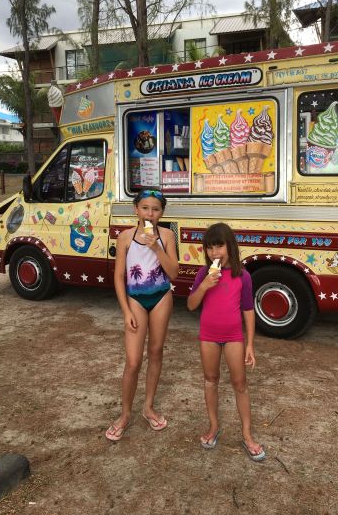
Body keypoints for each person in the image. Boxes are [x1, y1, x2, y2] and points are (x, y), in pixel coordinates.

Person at [187, 222, 266, 462]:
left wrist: (250, 344)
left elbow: (248, 310)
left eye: (219, 246)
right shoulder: (204, 274)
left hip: (234, 337)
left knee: (240, 383)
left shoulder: (243, 276)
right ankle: (213, 427)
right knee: (210, 380)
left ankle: (247, 435)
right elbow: (191, 305)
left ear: (230, 246)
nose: (215, 253)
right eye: (210, 248)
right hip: (208, 336)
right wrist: (204, 286)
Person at [105, 189, 179, 441]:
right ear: (136, 209)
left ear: (162, 213)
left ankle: (148, 407)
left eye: (156, 209)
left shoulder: (167, 235)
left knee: (156, 351)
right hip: (135, 300)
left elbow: (174, 272)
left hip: (161, 298)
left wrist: (157, 248)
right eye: (145, 208)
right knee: (134, 361)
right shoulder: (125, 237)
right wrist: (126, 310)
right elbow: (119, 277)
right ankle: (125, 414)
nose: (150, 213)